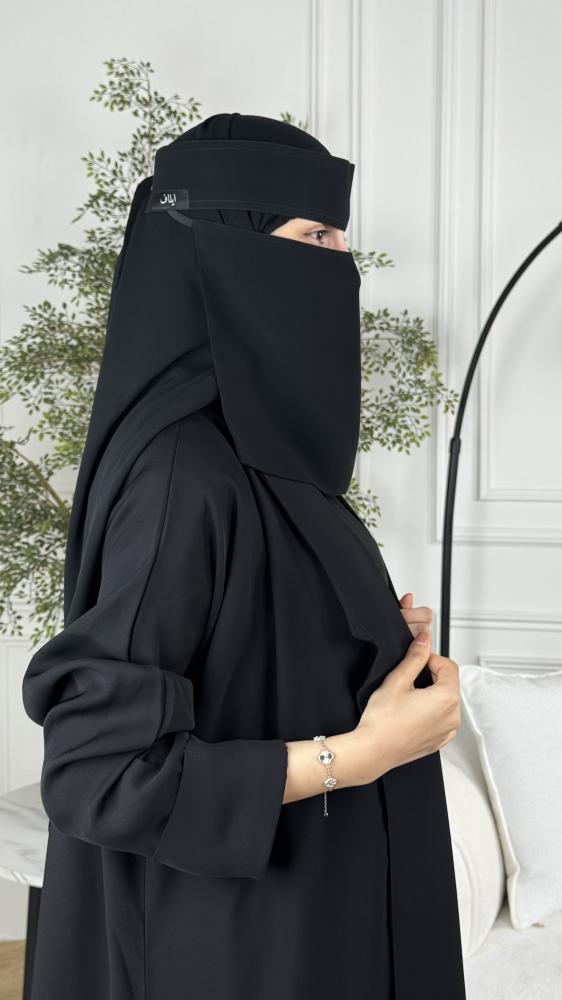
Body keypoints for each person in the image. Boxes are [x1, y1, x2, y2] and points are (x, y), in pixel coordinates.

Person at [21, 112, 466, 999]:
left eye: (340, 236)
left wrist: (360, 640)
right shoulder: (181, 473)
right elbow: (98, 773)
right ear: (228, 250)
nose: (341, 263)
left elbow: (243, 643)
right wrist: (358, 755)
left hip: (305, 923)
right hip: (233, 952)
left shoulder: (256, 448)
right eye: (316, 237)